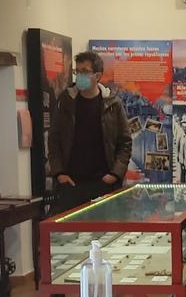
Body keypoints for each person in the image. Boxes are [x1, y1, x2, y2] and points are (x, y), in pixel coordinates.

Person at [47, 50, 132, 213]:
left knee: (103, 233)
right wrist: (59, 173)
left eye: (85, 72)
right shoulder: (65, 101)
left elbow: (125, 142)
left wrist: (114, 174)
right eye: (77, 71)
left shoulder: (112, 103)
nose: (79, 76)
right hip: (71, 184)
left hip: (103, 183)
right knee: (70, 235)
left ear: (98, 76)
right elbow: (54, 139)